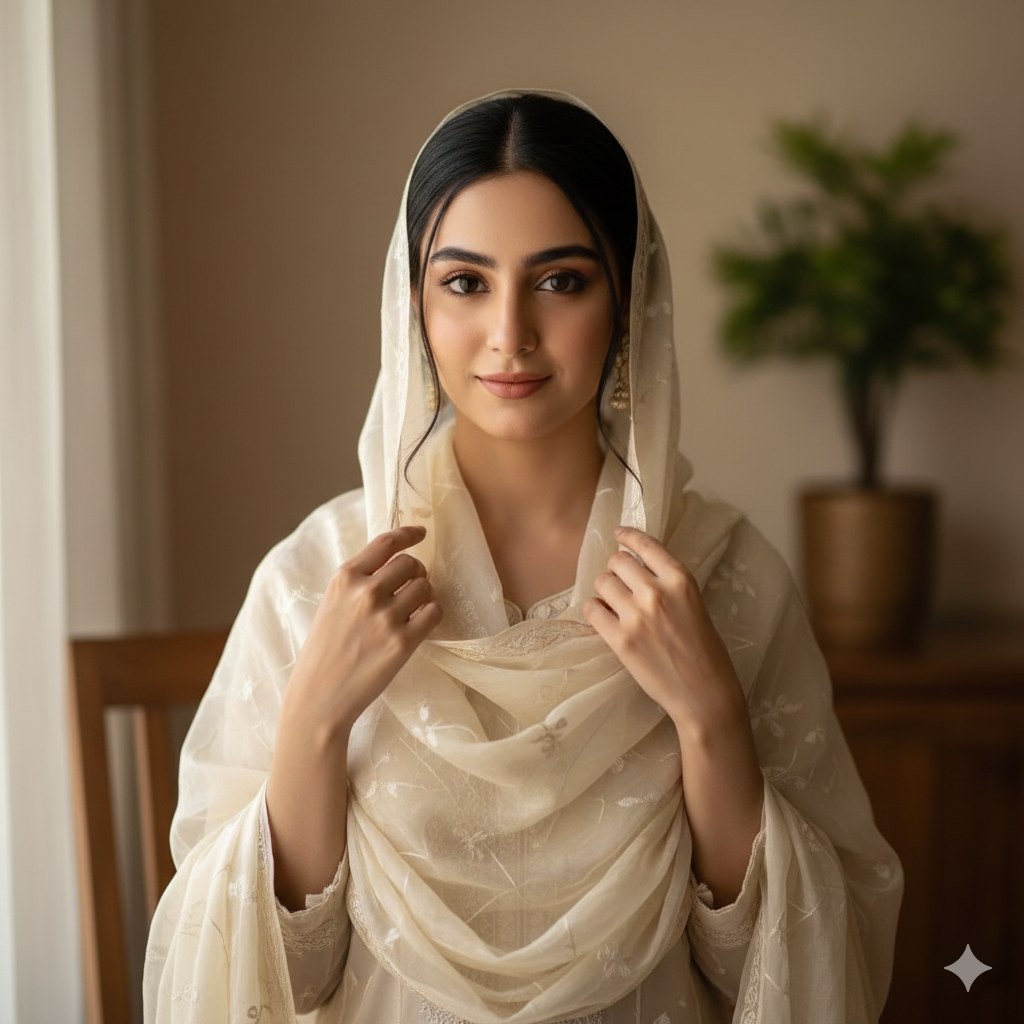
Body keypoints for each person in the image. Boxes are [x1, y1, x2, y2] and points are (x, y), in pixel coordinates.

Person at [144, 90, 903, 1024]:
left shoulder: (720, 573)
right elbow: (279, 978)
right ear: (412, 306)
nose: (510, 333)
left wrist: (711, 721)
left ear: (630, 302)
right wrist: (312, 720)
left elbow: (772, 969)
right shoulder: (320, 580)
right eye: (465, 282)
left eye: (560, 280)